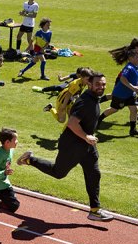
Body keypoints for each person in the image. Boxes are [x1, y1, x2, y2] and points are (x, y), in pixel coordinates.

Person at [17, 71, 114, 221]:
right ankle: (30, 159)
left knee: (94, 174)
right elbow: (72, 123)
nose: (101, 87)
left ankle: (95, 210)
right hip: (72, 145)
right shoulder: (85, 101)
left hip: (87, 146)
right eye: (98, 84)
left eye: (103, 84)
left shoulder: (94, 98)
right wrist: (87, 136)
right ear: (89, 84)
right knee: (59, 173)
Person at [100, 47, 138, 137]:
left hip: (130, 94)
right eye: (137, 57)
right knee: (114, 109)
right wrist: (133, 87)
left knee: (134, 109)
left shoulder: (137, 67)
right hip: (120, 94)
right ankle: (99, 119)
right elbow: (122, 78)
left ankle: (133, 130)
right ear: (131, 58)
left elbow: (135, 78)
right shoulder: (128, 68)